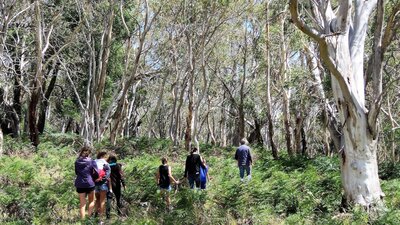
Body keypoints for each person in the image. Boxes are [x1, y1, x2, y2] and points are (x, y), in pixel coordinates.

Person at [74, 146, 96, 220]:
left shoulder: (77, 162)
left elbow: (76, 172)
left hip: (80, 183)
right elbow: (95, 173)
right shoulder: (92, 161)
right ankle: (89, 218)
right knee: (92, 201)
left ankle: (83, 220)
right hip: (90, 183)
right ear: (89, 153)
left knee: (82, 204)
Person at [106, 154, 126, 218]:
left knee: (109, 199)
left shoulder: (106, 166)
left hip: (109, 185)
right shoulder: (118, 166)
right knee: (118, 198)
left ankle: (108, 215)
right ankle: (119, 213)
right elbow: (121, 176)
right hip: (117, 184)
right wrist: (124, 184)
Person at [94, 151, 111, 222]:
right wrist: (102, 179)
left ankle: (95, 217)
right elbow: (107, 175)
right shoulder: (106, 163)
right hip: (103, 184)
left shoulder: (93, 162)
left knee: (97, 200)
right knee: (102, 201)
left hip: (95, 184)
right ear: (104, 156)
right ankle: (101, 219)